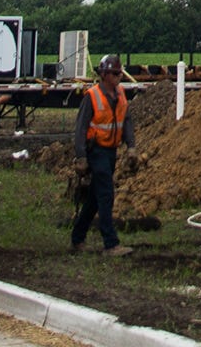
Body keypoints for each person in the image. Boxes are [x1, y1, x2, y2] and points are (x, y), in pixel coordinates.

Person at [67, 56, 134, 253]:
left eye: (119, 73)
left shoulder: (120, 94)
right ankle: (110, 243)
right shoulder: (92, 96)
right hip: (96, 150)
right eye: (114, 73)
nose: (118, 77)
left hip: (111, 150)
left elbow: (127, 120)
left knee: (95, 199)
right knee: (106, 194)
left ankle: (77, 238)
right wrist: (81, 156)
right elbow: (80, 128)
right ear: (104, 75)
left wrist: (131, 146)